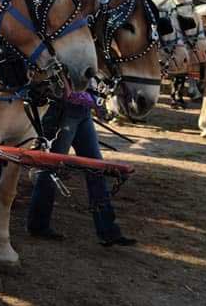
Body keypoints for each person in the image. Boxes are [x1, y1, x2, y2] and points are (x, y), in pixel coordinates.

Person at [26, 92, 136, 246]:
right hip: (62, 111)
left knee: (96, 168)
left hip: (82, 111)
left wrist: (93, 98)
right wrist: (90, 99)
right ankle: (38, 225)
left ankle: (108, 231)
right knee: (51, 168)